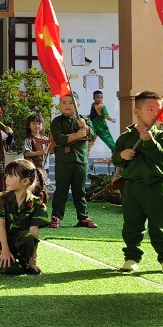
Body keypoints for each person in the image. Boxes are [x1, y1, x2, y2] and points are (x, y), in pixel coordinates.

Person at [113, 91, 163, 274]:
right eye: (150, 109)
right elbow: (116, 159)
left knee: (159, 226)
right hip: (132, 187)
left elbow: (160, 157)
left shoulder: (162, 136)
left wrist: (149, 141)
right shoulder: (126, 137)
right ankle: (131, 257)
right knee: (132, 225)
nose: (155, 113)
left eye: (158, 109)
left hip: (155, 188)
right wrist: (122, 155)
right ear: (137, 112)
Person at [0, 159, 51, 275]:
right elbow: (1, 225)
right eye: (7, 175)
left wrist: (33, 262)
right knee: (11, 269)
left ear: (25, 181)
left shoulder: (37, 204)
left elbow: (33, 234)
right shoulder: (1, 198)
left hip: (19, 241)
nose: (7, 179)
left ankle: (23, 263)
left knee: (28, 237)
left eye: (11, 176)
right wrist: (5, 250)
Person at [50, 94, 98, 229]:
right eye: (64, 102)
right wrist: (76, 135)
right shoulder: (57, 121)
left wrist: (85, 127)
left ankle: (83, 217)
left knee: (80, 191)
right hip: (63, 161)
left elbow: (92, 135)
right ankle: (56, 217)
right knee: (61, 190)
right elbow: (59, 139)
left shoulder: (84, 119)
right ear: (60, 105)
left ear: (78, 105)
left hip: (80, 160)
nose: (67, 105)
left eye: (71, 103)